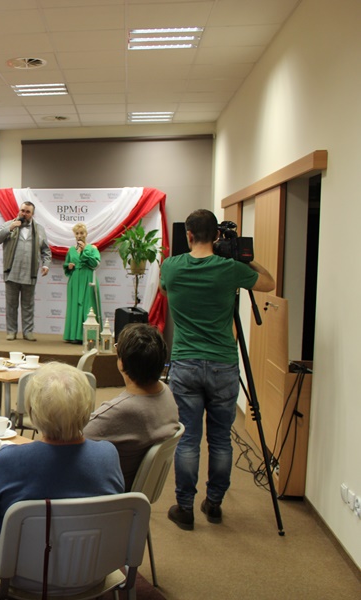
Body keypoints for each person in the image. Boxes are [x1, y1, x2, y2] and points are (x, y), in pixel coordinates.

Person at [160, 209, 274, 530]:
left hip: (185, 363)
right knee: (221, 440)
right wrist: (243, 255)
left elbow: (166, 290)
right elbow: (269, 282)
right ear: (217, 236)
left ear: (189, 235)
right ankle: (214, 503)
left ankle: (184, 508)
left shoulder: (171, 266)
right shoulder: (230, 269)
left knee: (188, 439)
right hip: (223, 364)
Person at [0, 362, 123, 593]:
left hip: (22, 577)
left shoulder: (9, 460)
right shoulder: (108, 455)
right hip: (94, 573)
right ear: (87, 410)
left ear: (33, 412)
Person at [83, 323, 180, 490]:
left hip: (102, 494)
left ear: (122, 363)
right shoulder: (166, 392)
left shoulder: (121, 411)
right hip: (130, 493)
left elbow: (68, 440)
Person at [0, 201, 51, 341]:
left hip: (29, 273)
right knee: (11, 305)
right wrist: (10, 228)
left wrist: (46, 264)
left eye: (27, 211)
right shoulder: (9, 224)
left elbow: (46, 250)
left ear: (32, 214)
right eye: (22, 210)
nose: (24, 213)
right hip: (12, 272)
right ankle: (11, 331)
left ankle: (28, 332)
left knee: (28, 305)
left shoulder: (39, 229)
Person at [63, 223, 102, 343]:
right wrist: (68, 266)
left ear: (86, 234)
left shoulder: (92, 248)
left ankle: (89, 336)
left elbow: (95, 264)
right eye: (77, 233)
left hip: (88, 279)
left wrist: (84, 249)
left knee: (88, 306)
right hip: (74, 281)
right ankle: (74, 336)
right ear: (74, 235)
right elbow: (66, 265)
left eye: (82, 233)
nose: (79, 236)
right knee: (74, 306)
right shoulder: (70, 250)